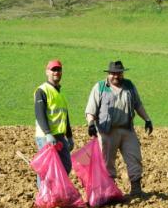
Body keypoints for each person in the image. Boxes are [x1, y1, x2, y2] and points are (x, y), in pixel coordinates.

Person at [85, 60, 153, 196]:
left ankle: (136, 189)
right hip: (107, 131)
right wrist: (91, 123)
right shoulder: (100, 87)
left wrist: (147, 119)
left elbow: (137, 105)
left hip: (127, 129)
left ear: (123, 73)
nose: (116, 76)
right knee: (107, 162)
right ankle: (109, 190)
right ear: (108, 74)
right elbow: (91, 109)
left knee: (134, 157)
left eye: (119, 73)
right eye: (113, 73)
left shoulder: (129, 86)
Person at [34, 60, 74, 187]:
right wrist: (48, 134)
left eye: (58, 70)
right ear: (47, 72)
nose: (56, 72)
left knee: (66, 166)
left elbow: (65, 116)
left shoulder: (60, 93)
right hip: (46, 137)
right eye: (53, 70)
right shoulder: (42, 91)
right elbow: (39, 114)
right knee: (47, 169)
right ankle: (44, 195)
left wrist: (70, 136)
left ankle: (57, 192)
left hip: (60, 136)